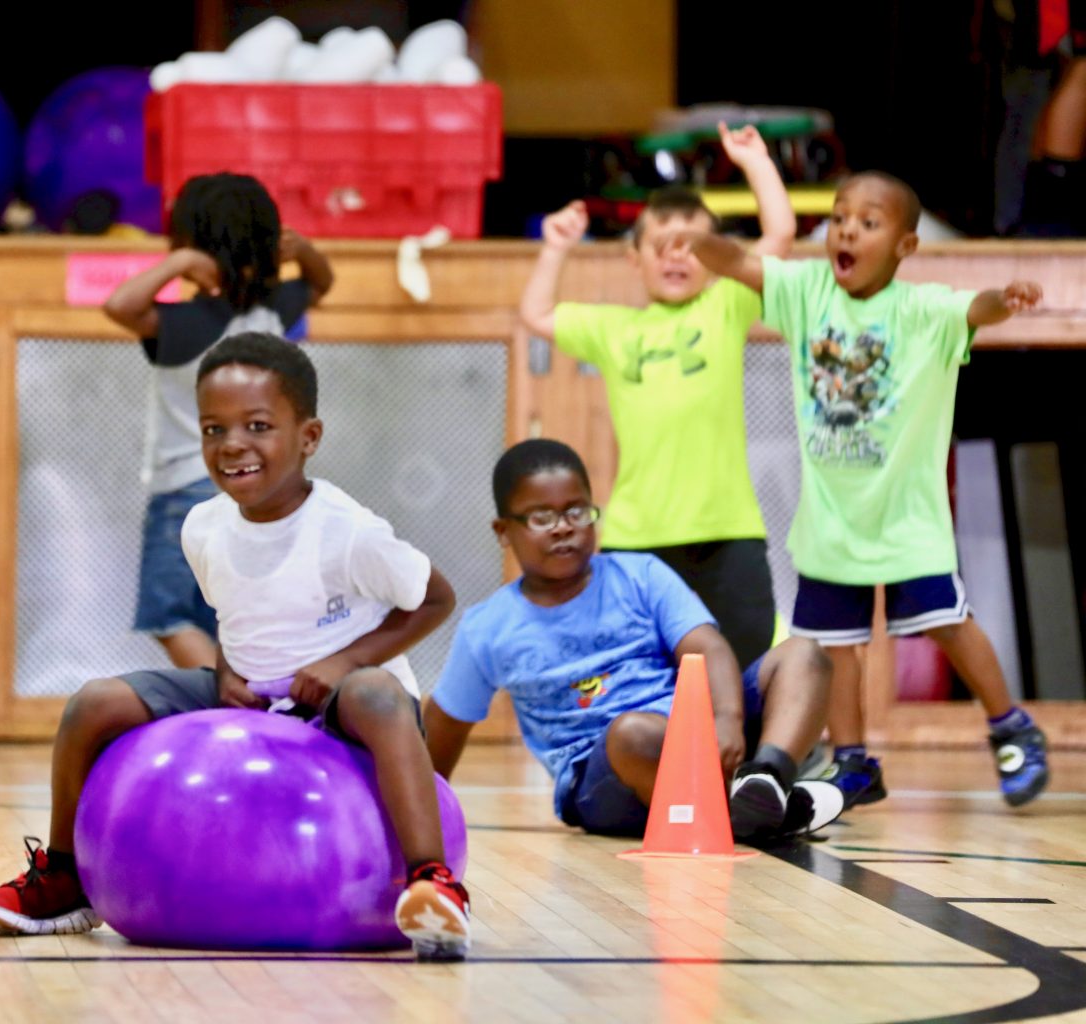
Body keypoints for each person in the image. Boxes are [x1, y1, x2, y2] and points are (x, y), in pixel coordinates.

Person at [0, 333, 471, 960]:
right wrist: (227, 670)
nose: (233, 445)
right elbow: (237, 615)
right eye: (214, 429)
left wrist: (344, 661)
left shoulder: (349, 531)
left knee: (377, 693)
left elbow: (437, 598)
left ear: (308, 437)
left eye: (258, 426)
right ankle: (66, 878)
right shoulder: (203, 526)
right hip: (256, 697)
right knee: (93, 702)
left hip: (347, 702)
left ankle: (433, 881)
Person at [654, 170, 1050, 807]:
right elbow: (741, 264)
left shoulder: (922, 309)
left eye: (869, 223)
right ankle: (856, 760)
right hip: (832, 520)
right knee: (836, 645)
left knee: (948, 622)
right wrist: (699, 243)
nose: (847, 230)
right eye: (840, 218)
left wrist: (1007, 298)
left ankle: (1012, 726)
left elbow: (976, 309)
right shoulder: (807, 289)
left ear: (904, 247)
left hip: (905, 518)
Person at [423, 439, 842, 841]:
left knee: (804, 654)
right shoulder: (488, 627)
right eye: (541, 518)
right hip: (605, 781)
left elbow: (706, 647)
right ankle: (747, 817)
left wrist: (728, 719)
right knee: (630, 734)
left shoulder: (640, 574)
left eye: (576, 511)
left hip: (700, 740)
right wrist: (422, 818)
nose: (563, 528)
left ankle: (764, 782)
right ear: (502, 530)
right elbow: (445, 726)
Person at [518, 122, 797, 671]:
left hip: (729, 531)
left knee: (746, 669)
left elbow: (780, 234)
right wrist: (555, 249)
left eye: (693, 246)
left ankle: (753, 759)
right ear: (634, 258)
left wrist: (756, 162)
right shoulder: (615, 329)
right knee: (639, 671)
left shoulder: (726, 305)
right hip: (636, 537)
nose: (677, 257)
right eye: (662, 246)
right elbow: (537, 314)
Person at [104, 173, 333, 670]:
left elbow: (119, 305)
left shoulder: (183, 325)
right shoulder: (275, 311)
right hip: (264, 491)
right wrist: (305, 251)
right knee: (231, 616)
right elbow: (322, 283)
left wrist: (180, 263)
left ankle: (234, 706)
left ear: (188, 241)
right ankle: (243, 701)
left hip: (186, 490)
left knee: (169, 616)